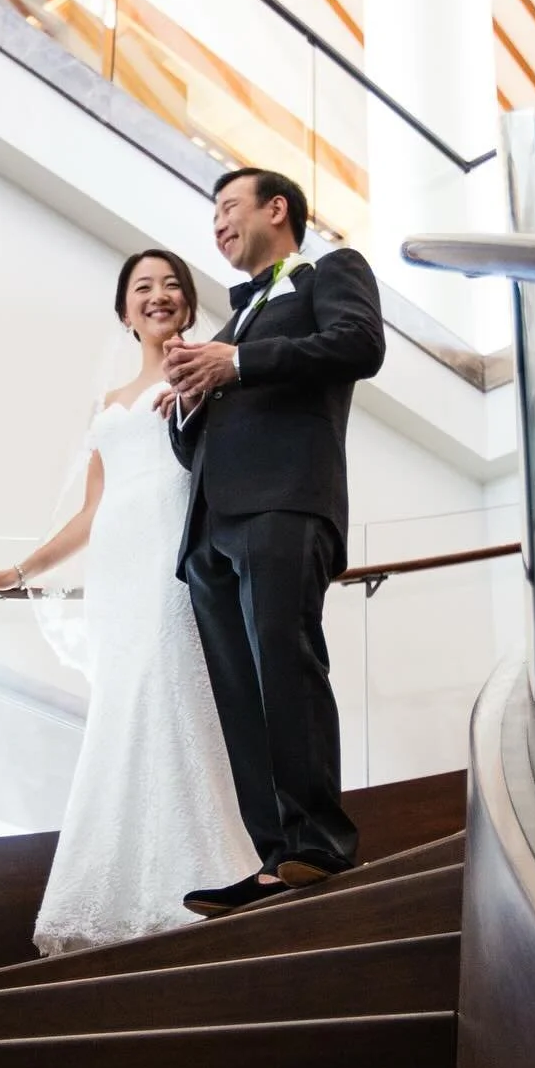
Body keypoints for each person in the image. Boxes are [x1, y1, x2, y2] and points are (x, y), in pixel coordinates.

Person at [0, 249, 257, 955]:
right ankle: (122, 887)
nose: (158, 296)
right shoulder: (106, 406)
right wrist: (23, 567)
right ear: (125, 311)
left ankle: (204, 877)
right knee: (123, 711)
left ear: (188, 304)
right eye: (142, 288)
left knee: (174, 695)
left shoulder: (211, 372)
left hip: (177, 557)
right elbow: (94, 510)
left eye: (170, 286)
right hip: (119, 574)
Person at [157, 167, 386, 916]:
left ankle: (320, 841)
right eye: (213, 214)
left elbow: (358, 344)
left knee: (286, 663)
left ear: (276, 208)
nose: (217, 224)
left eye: (228, 207)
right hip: (211, 528)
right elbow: (196, 447)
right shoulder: (229, 324)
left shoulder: (331, 271)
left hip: (286, 503)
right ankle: (273, 856)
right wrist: (187, 402)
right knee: (239, 694)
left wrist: (240, 363)